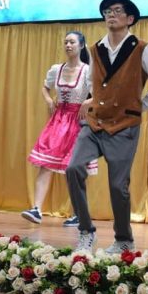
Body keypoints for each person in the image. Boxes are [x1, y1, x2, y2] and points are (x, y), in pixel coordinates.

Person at [66, 0, 148, 254]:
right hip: (95, 123)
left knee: (117, 186)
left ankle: (124, 238)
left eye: (116, 10)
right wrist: (94, 99)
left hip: (124, 125)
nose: (110, 15)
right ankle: (86, 232)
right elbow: (93, 82)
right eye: (107, 11)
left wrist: (140, 106)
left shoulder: (142, 48)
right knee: (73, 168)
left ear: (130, 18)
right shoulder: (95, 48)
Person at [22, 31, 98, 226]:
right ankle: (36, 209)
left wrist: (87, 102)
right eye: (66, 42)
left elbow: (101, 94)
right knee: (45, 163)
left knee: (74, 168)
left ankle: (79, 213)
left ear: (81, 45)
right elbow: (45, 87)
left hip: (78, 121)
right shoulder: (57, 69)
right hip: (58, 120)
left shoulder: (88, 71)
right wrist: (49, 100)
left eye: (72, 42)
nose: (68, 45)